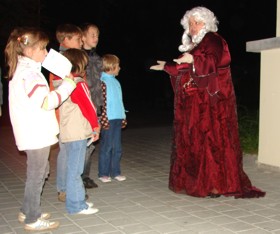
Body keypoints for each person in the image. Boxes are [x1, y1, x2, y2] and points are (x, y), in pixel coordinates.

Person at [150, 6, 265, 198]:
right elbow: (186, 67)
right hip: (197, 102)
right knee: (199, 141)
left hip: (213, 103)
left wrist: (193, 61)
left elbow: (216, 61)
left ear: (206, 23)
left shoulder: (213, 39)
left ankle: (217, 185)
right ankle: (205, 182)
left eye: (197, 22)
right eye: (190, 23)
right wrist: (167, 67)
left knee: (213, 140)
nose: (193, 27)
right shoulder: (197, 45)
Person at [4, 27, 76, 231]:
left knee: (40, 171)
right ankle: (32, 219)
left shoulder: (24, 70)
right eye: (43, 48)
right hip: (35, 133)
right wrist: (68, 86)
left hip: (32, 131)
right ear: (28, 51)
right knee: (37, 175)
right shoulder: (30, 74)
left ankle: (28, 209)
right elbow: (46, 102)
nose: (46, 53)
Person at [54, 48, 100, 214]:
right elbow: (88, 106)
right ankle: (77, 205)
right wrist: (95, 126)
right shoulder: (78, 84)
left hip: (68, 131)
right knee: (76, 170)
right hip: (78, 132)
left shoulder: (61, 83)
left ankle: (77, 201)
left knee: (71, 168)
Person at [49, 24, 83, 202]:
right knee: (66, 151)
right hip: (64, 113)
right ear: (66, 40)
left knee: (71, 151)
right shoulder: (60, 60)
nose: (81, 41)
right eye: (78, 39)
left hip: (71, 113)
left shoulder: (70, 57)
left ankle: (71, 185)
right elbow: (60, 87)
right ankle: (64, 188)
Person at [80, 23, 103, 189]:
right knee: (81, 144)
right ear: (83, 37)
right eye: (92, 34)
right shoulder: (78, 58)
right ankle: (77, 178)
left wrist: (101, 105)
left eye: (97, 35)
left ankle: (85, 176)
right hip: (82, 107)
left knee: (91, 144)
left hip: (96, 106)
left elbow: (100, 83)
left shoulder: (97, 57)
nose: (96, 38)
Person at [98, 54, 127, 183]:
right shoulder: (102, 81)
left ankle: (115, 172)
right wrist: (102, 118)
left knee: (117, 147)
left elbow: (119, 101)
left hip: (117, 118)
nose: (120, 68)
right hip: (108, 119)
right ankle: (103, 173)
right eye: (118, 66)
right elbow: (102, 103)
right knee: (107, 147)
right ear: (111, 67)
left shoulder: (116, 82)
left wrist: (123, 116)